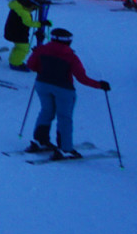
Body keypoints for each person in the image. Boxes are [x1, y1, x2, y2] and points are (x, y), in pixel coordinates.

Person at [25, 27, 111, 157]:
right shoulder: (71, 56)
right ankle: (65, 149)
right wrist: (99, 85)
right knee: (64, 117)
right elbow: (81, 78)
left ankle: (40, 141)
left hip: (42, 85)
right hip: (63, 89)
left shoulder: (41, 50)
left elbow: (31, 66)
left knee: (46, 111)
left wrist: (44, 69)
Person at [4, 0, 50, 71]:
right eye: (34, 8)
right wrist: (41, 23)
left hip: (13, 31)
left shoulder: (18, 7)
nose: (34, 10)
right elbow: (29, 23)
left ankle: (14, 61)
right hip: (18, 34)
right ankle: (15, 64)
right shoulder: (24, 12)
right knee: (23, 49)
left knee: (19, 47)